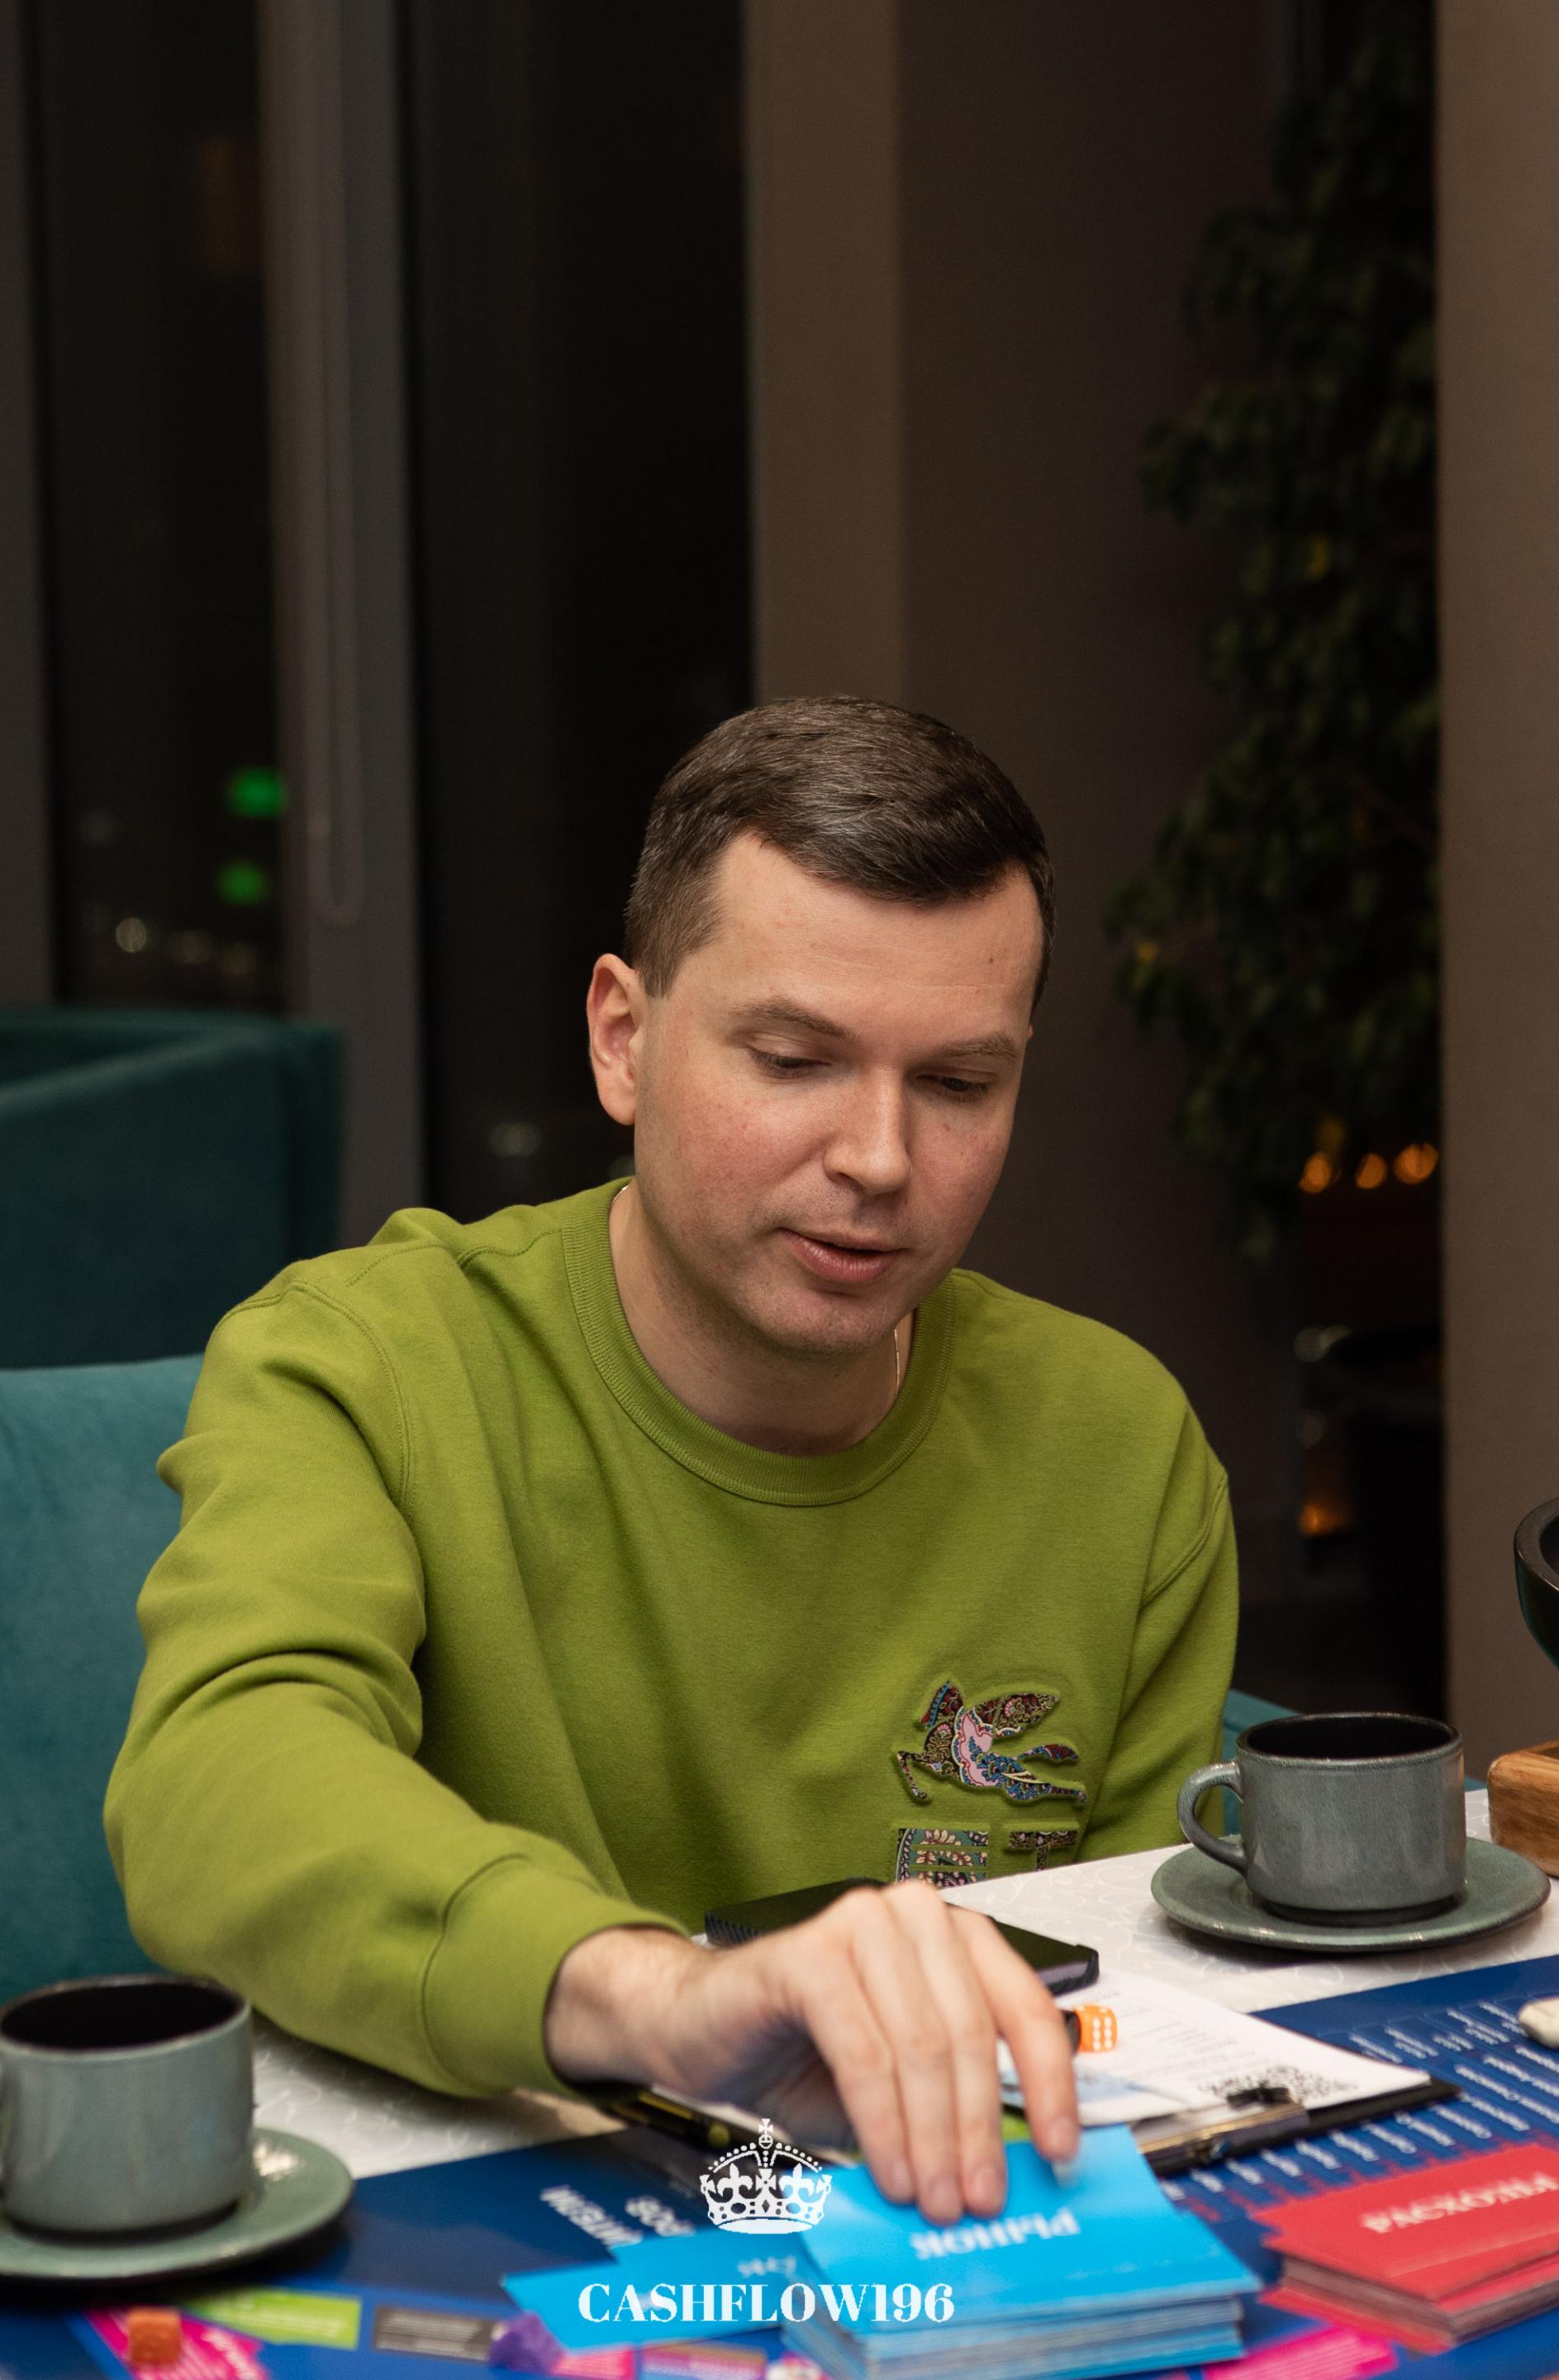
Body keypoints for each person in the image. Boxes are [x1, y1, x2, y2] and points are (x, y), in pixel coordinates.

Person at [105, 697, 1236, 2230]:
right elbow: (216, 1786)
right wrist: (662, 1998)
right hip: (500, 2226)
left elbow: (1128, 2008)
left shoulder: (1120, 1445)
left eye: (960, 1085)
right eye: (795, 1059)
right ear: (622, 1040)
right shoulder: (362, 1366)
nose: (880, 1158)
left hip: (945, 2232)